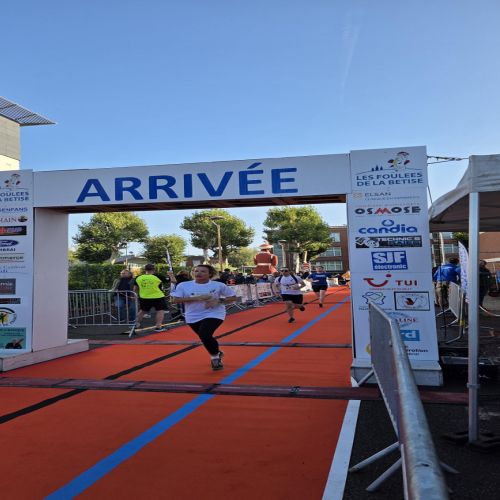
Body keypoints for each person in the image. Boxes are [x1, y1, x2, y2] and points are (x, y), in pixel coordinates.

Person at [170, 265, 237, 370]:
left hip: (215, 313)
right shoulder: (184, 285)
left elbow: (233, 297)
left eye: (203, 271)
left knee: (204, 334)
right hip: (193, 315)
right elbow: (174, 300)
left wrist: (218, 300)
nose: (199, 273)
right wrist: (197, 298)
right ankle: (217, 352)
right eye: (196, 271)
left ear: (210, 274)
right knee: (205, 338)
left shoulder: (218, 285)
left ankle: (215, 358)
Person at [134, 263, 167, 332]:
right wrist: (171, 275)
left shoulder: (138, 277)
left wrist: (135, 295)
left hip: (144, 297)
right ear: (154, 269)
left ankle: (135, 324)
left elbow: (135, 289)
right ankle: (158, 327)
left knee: (142, 311)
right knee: (160, 311)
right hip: (158, 297)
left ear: (145, 269)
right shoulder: (158, 276)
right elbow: (173, 281)